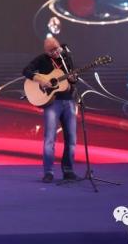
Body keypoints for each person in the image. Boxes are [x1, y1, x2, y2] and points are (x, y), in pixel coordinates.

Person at [22, 37, 78, 183]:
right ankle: (48, 172)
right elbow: (26, 71)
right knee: (50, 139)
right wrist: (40, 79)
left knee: (71, 138)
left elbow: (71, 80)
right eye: (50, 51)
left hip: (69, 101)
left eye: (56, 49)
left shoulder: (66, 58)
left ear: (60, 46)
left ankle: (68, 171)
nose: (54, 52)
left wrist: (73, 80)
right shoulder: (42, 59)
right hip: (52, 103)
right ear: (46, 51)